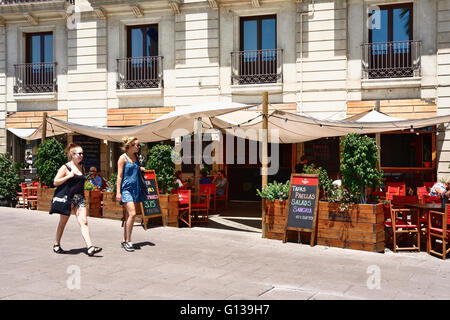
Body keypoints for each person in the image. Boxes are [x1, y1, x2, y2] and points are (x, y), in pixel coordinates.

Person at [52, 143, 102, 257]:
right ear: (72, 155)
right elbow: (55, 182)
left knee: (83, 222)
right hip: (68, 199)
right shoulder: (66, 167)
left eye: (82, 153)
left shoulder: (82, 167)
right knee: (63, 223)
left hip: (80, 198)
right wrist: (68, 176)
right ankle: (56, 244)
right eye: (79, 153)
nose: (81, 155)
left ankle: (90, 247)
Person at [116, 137, 147, 252]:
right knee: (133, 214)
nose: (139, 147)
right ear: (130, 146)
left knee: (129, 215)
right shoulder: (122, 158)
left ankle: (124, 240)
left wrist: (140, 168)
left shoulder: (136, 157)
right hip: (126, 190)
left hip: (135, 189)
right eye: (137, 145)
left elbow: (136, 168)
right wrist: (118, 192)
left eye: (139, 145)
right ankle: (128, 241)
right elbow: (119, 176)